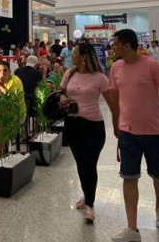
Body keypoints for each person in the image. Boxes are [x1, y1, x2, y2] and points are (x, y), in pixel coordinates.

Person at [108, 29, 159, 242]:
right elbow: (115, 98)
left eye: (115, 44)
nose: (112, 47)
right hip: (128, 132)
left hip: (153, 132)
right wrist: (116, 123)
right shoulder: (115, 68)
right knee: (128, 177)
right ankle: (132, 229)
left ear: (127, 46)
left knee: (158, 174)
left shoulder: (152, 65)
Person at [60, 42, 119, 224]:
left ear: (84, 57)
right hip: (73, 124)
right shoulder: (70, 73)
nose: (73, 55)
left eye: (76, 53)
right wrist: (63, 99)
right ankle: (87, 194)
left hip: (92, 126)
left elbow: (112, 103)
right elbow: (61, 92)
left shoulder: (100, 78)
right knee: (80, 163)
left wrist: (117, 124)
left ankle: (90, 205)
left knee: (89, 164)